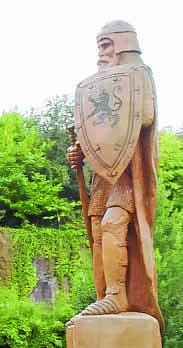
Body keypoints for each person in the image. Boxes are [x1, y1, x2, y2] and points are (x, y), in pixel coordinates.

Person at [67, 20, 162, 328]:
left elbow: (143, 117)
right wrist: (78, 153)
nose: (101, 52)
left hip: (128, 174)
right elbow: (97, 137)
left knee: (113, 224)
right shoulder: (94, 86)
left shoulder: (137, 76)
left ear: (123, 43)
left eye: (106, 45)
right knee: (97, 231)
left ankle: (116, 294)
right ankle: (104, 294)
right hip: (103, 176)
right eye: (99, 46)